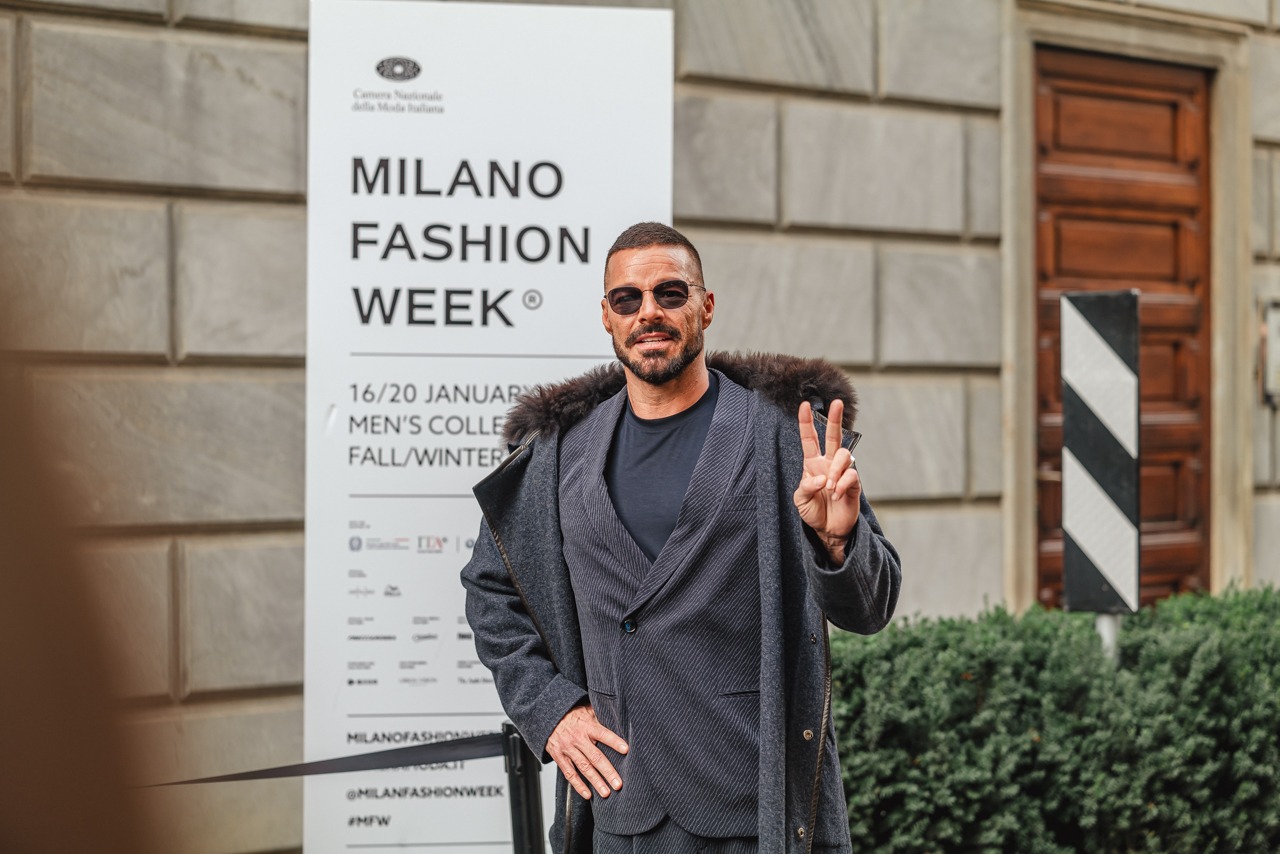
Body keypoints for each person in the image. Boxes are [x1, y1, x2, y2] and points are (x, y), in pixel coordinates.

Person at [461, 222, 901, 853]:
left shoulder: (782, 438)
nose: (649, 313)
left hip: (752, 810)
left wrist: (838, 542)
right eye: (627, 299)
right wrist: (550, 709)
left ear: (706, 306)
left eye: (670, 293)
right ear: (607, 317)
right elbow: (490, 590)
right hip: (617, 809)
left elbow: (870, 608)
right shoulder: (559, 455)